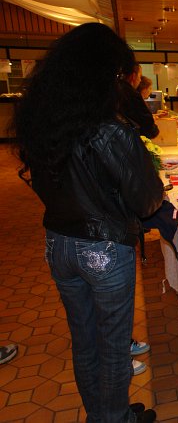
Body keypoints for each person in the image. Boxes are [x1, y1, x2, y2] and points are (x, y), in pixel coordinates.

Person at [13, 22, 163, 423]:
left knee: (85, 340)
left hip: (58, 243)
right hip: (104, 248)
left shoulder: (43, 125)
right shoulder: (111, 132)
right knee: (113, 345)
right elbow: (147, 200)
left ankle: (104, 414)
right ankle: (116, 418)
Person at [118, 64, 159, 139]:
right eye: (139, 76)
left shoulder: (115, 90)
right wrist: (155, 129)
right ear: (133, 76)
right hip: (131, 140)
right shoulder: (131, 95)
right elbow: (148, 127)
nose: (140, 80)